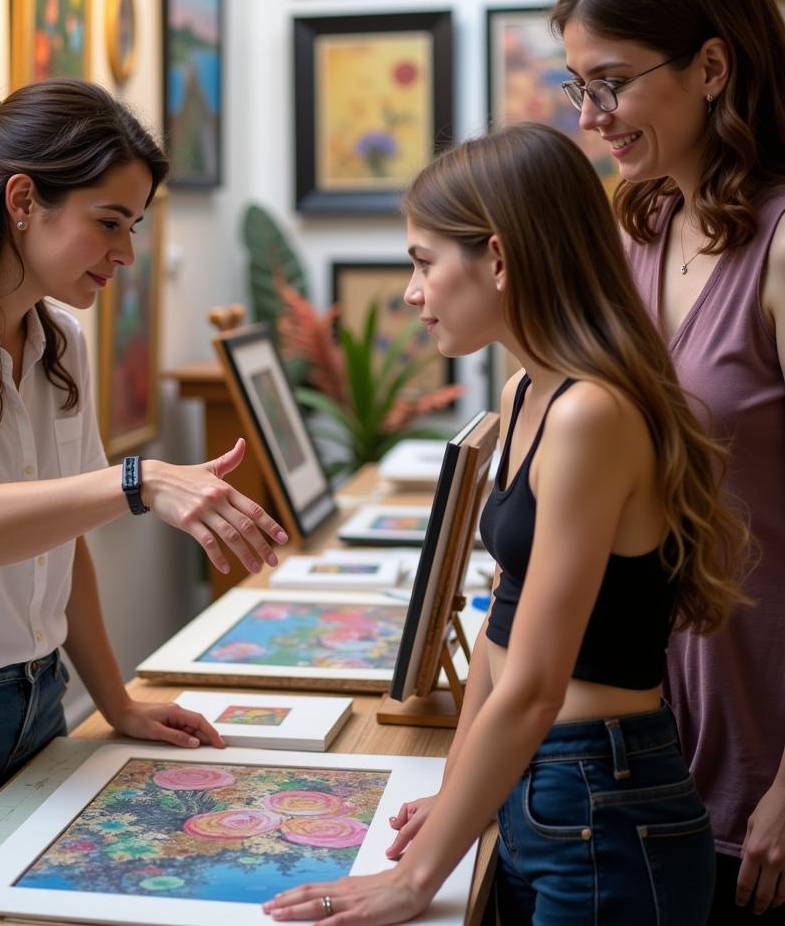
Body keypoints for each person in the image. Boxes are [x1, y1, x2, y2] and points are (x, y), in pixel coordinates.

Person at [264, 122, 748, 925]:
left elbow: (533, 686)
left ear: (496, 257)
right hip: (545, 786)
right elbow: (507, 611)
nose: (413, 292)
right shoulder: (528, 390)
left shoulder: (591, 412)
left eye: (423, 262)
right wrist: (458, 792)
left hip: (605, 804)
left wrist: (415, 878)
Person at [0, 78, 289, 876]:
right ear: (24, 200)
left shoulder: (60, 339)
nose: (127, 254)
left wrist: (115, 703)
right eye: (109, 223)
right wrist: (138, 481)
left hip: (36, 700)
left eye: (134, 227)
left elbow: (63, 547)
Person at [552, 0, 785, 921]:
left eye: (610, 83)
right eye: (577, 88)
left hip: (761, 741)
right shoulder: (632, 217)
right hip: (649, 743)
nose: (592, 115)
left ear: (712, 67)